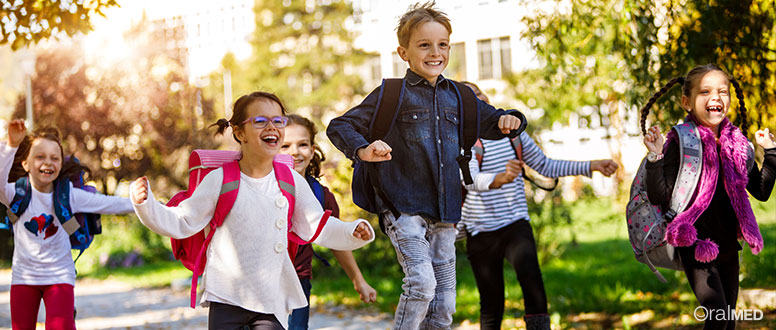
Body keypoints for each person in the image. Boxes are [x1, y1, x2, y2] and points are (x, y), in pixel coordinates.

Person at [326, 3, 527, 328]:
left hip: (445, 213)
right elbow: (339, 126)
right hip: (403, 208)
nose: (435, 53)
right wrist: (363, 149)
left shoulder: (460, 96)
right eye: (424, 45)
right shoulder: (391, 94)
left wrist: (511, 119)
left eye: (442, 44)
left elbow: (498, 121)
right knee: (422, 284)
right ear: (403, 52)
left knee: (445, 302)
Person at [129, 91, 375, 330]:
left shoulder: (290, 181)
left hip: (270, 298)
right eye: (260, 121)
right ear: (239, 132)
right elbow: (182, 220)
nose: (272, 127)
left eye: (278, 120)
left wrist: (352, 232)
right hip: (226, 296)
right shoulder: (220, 180)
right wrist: (146, 204)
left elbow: (316, 225)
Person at [458, 82, 618, 330]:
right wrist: (501, 178)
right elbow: (470, 180)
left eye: (478, 92)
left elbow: (545, 165)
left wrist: (591, 166)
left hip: (515, 223)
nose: (477, 99)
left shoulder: (513, 133)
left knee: (533, 285)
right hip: (480, 230)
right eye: (469, 98)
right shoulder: (463, 141)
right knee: (492, 303)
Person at [642, 64, 776, 330]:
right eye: (705, 91)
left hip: (728, 244)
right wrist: (656, 156)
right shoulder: (680, 141)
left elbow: (760, 192)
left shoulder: (738, 144)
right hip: (694, 242)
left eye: (722, 91)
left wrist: (770, 152)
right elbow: (659, 196)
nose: (715, 97)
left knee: (727, 322)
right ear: (686, 102)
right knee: (716, 318)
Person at [1, 120, 134, 330]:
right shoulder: (14, 193)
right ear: (25, 163)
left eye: (55, 158)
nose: (48, 162)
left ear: (61, 164)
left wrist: (149, 204)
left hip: (59, 276)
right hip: (24, 277)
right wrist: (11, 145)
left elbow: (111, 204)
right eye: (40, 156)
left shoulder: (69, 195)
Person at [280, 114, 377, 329]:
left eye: (302, 144)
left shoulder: (321, 196)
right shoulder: (262, 187)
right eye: (284, 146)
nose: (294, 152)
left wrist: (358, 280)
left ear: (312, 149)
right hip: (260, 279)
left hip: (298, 280)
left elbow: (336, 239)